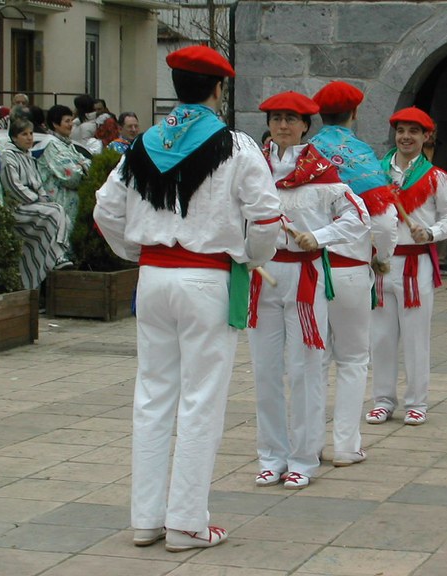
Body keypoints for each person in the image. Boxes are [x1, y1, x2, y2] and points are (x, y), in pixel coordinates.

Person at [93, 45, 282, 552]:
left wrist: (138, 252)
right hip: (207, 278)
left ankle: (146, 520)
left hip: (153, 277)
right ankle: (186, 523)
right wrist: (251, 258)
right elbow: (267, 217)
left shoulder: (143, 144)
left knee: (152, 396)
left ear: (176, 86)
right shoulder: (236, 145)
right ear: (219, 89)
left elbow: (105, 209)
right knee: (201, 400)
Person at [248, 90, 368, 489]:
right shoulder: (254, 168)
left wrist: (319, 236)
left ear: (305, 126)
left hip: (304, 276)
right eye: (276, 118)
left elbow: (358, 217)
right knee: (265, 369)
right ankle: (271, 455)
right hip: (263, 274)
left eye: (291, 119)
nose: (282, 125)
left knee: (305, 369)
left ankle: (303, 457)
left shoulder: (321, 171)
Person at [309, 80, 399, 466]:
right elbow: (385, 221)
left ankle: (309, 445)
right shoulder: (361, 157)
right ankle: (346, 445)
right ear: (355, 113)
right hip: (350, 270)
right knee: (352, 360)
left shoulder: (305, 155)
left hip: (310, 269)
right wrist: (382, 256)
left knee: (313, 361)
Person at [367, 106, 447, 426]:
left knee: (416, 336)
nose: (406, 137)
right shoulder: (376, 173)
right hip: (381, 263)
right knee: (380, 336)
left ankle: (417, 402)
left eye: (413, 131)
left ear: (426, 136)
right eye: (401, 131)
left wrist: (431, 232)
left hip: (415, 264)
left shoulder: (436, 177)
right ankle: (382, 399)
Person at [0, 118, 72, 288]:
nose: (29, 137)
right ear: (14, 137)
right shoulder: (7, 156)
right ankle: (58, 255)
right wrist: (36, 199)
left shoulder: (28, 156)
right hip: (17, 207)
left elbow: (38, 184)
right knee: (55, 212)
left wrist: (43, 198)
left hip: (33, 205)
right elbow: (13, 186)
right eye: (24, 134)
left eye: (31, 133)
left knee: (61, 215)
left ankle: (54, 257)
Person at [38, 105, 91, 246]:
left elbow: (89, 163)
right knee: (61, 243)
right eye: (67, 121)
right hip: (59, 204)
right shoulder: (51, 145)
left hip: (72, 206)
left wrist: (81, 166)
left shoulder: (68, 144)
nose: (71, 124)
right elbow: (71, 176)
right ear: (55, 124)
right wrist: (81, 166)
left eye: (71, 120)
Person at [422, 123, 447, 268]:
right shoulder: (415, 149)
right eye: (428, 131)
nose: (431, 135)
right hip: (421, 194)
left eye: (434, 131)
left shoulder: (445, 150)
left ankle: (440, 260)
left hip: (441, 191)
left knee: (444, 221)